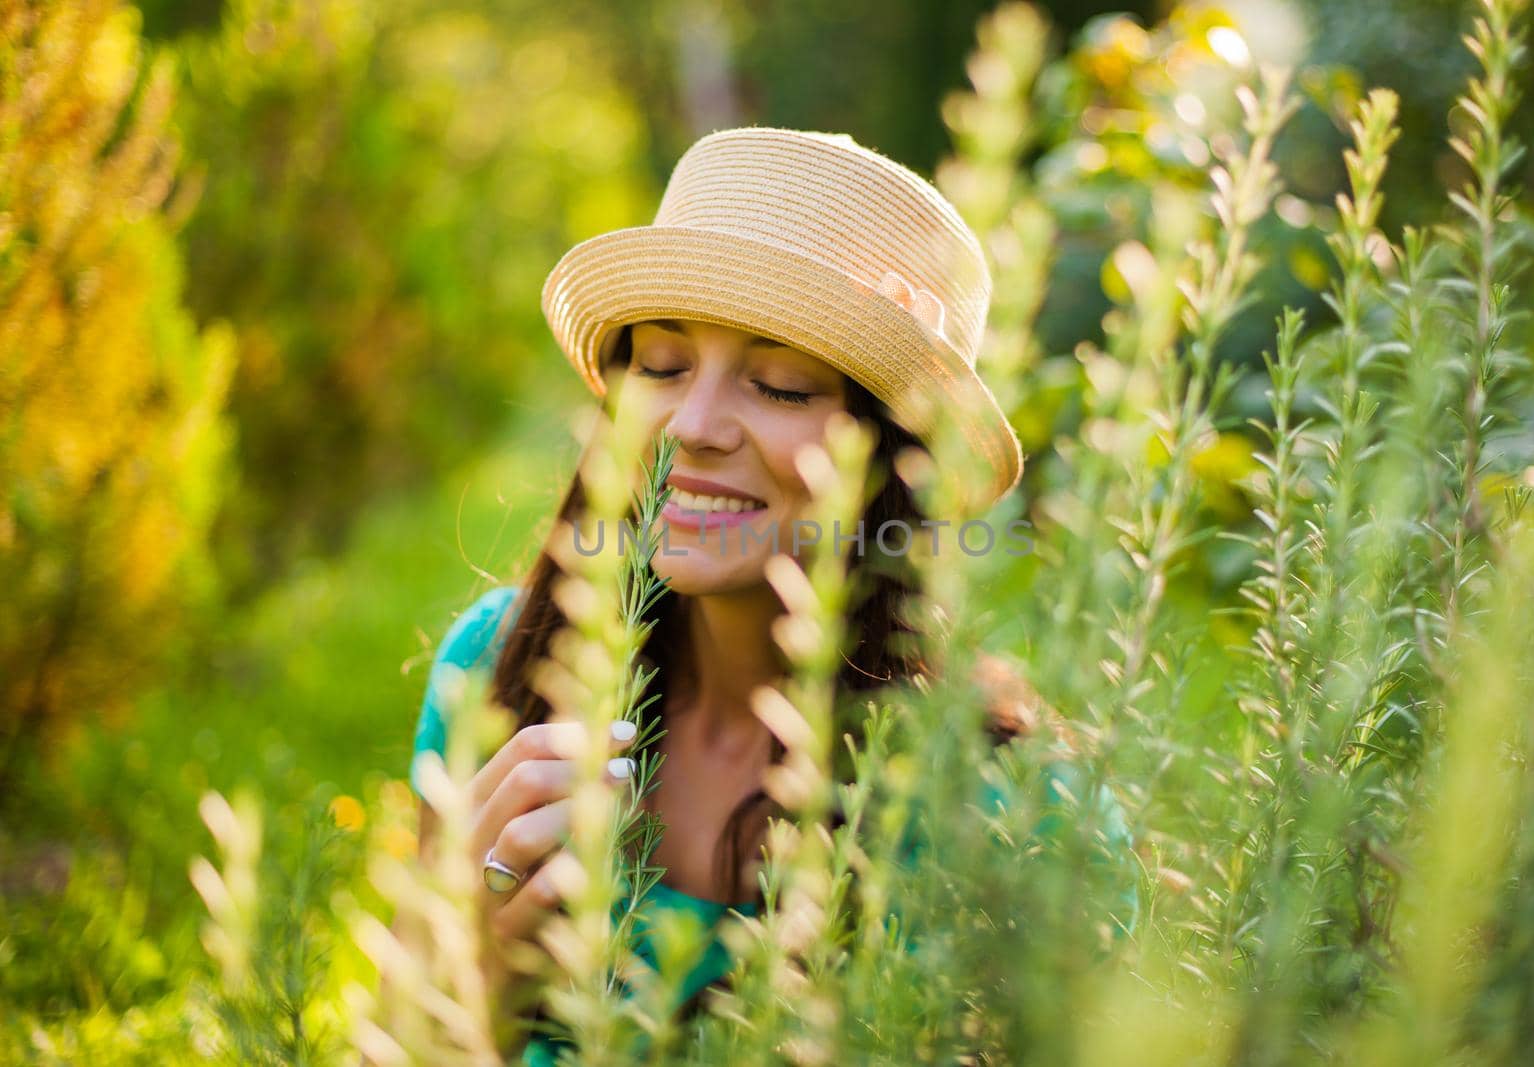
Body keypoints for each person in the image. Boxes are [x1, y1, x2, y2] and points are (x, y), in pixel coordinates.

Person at [408, 126, 1135, 1065]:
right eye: (663, 367)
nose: (697, 425)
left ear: (892, 457)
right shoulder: (493, 671)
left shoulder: (1021, 811)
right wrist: (469, 975)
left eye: (782, 385)